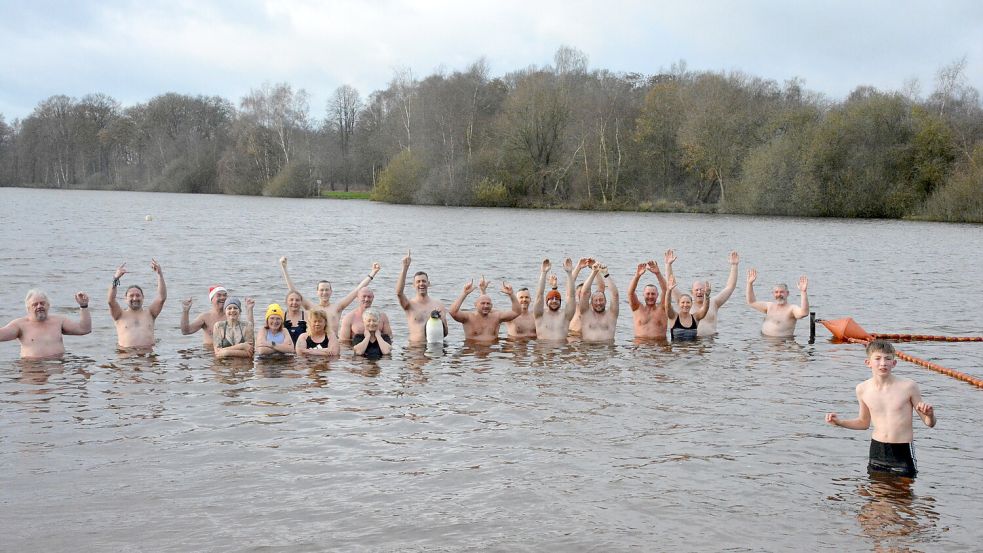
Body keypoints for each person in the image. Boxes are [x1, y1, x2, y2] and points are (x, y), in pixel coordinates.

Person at [826, 340, 936, 478]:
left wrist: (930, 415)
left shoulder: (908, 386)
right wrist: (839, 422)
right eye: (877, 359)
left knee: (904, 497)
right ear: (868, 363)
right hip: (877, 449)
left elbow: (929, 423)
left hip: (902, 451)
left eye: (888, 359)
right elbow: (863, 423)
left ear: (894, 363)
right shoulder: (862, 389)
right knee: (877, 497)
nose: (883, 363)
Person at [279, 257, 380, 335]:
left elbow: (357, 290)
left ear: (331, 291)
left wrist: (373, 272)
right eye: (321, 290)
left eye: (327, 290)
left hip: (333, 342)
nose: (324, 292)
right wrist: (284, 268)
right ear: (317, 292)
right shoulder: (312, 308)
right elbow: (293, 292)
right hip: (315, 342)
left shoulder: (337, 307)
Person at [666, 250, 740, 337]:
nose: (699, 292)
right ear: (692, 292)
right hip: (692, 342)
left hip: (709, 343)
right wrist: (668, 265)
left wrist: (734, 266)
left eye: (702, 289)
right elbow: (671, 284)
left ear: (706, 290)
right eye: (696, 290)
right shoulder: (685, 302)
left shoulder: (714, 302)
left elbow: (730, 287)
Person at [0, 289, 91, 359]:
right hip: (32, 368)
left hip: (58, 368)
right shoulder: (19, 325)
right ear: (28, 308)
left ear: (48, 305)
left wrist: (84, 306)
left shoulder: (59, 321)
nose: (39, 306)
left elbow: (84, 329)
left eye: (42, 303)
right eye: (35, 304)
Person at [107, 259, 166, 348]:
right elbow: (111, 300)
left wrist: (160, 275)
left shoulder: (150, 313)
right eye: (131, 296)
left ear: (143, 297)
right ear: (125, 298)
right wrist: (116, 278)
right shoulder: (119, 314)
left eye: (138, 295)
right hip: (126, 356)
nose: (135, 298)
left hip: (147, 357)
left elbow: (162, 298)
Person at [395, 249, 448, 343]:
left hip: (435, 349)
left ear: (429, 284)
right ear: (414, 285)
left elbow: (446, 333)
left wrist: (440, 323)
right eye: (418, 282)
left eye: (424, 281)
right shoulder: (409, 305)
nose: (421, 284)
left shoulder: (439, 306)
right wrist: (405, 268)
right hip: (415, 349)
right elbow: (399, 293)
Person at [449, 276, 521, 342]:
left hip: (492, 351)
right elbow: (453, 312)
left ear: (492, 305)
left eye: (488, 303)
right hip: (472, 352)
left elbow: (516, 312)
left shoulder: (497, 317)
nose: (486, 306)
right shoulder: (468, 317)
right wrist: (464, 293)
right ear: (475, 305)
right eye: (483, 303)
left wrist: (511, 294)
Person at [746, 269, 809, 337]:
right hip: (765, 342)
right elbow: (751, 302)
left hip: (783, 343)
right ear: (773, 294)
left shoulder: (791, 309)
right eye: (776, 292)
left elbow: (804, 313)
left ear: (787, 293)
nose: (779, 294)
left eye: (781, 292)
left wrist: (803, 292)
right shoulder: (769, 306)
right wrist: (749, 284)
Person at [532, 258, 576, 341]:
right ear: (546, 301)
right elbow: (539, 295)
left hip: (561, 350)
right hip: (543, 350)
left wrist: (569, 273)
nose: (554, 301)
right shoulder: (540, 315)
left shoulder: (565, 316)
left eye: (557, 299)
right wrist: (544, 273)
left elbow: (571, 296)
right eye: (551, 299)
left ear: (560, 302)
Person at [577, 262, 619, 343]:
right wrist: (593, 272)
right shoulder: (586, 314)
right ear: (591, 303)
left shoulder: (611, 315)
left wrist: (606, 275)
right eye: (595, 300)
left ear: (606, 301)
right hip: (588, 349)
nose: (598, 303)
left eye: (601, 300)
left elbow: (615, 295)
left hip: (606, 350)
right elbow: (584, 293)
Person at [627, 259, 668, 340]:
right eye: (648, 294)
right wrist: (637, 276)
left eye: (653, 294)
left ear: (657, 295)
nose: (650, 296)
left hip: (658, 348)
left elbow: (666, 291)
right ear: (643, 295)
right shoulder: (637, 308)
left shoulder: (663, 308)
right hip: (640, 347)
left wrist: (658, 273)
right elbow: (630, 293)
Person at [664, 275, 711, 341]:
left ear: (691, 304)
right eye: (683, 302)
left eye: (688, 302)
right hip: (677, 350)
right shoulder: (673, 316)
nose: (685, 305)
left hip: (692, 350)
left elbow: (705, 309)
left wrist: (707, 296)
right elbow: (667, 306)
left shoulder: (695, 317)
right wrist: (669, 291)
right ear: (679, 304)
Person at [568, 257, 601, 337]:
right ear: (576, 294)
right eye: (580, 292)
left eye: (585, 292)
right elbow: (569, 287)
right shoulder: (573, 307)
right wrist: (578, 267)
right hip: (572, 336)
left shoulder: (594, 307)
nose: (582, 294)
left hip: (587, 340)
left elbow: (601, 287)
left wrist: (596, 270)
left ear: (589, 294)